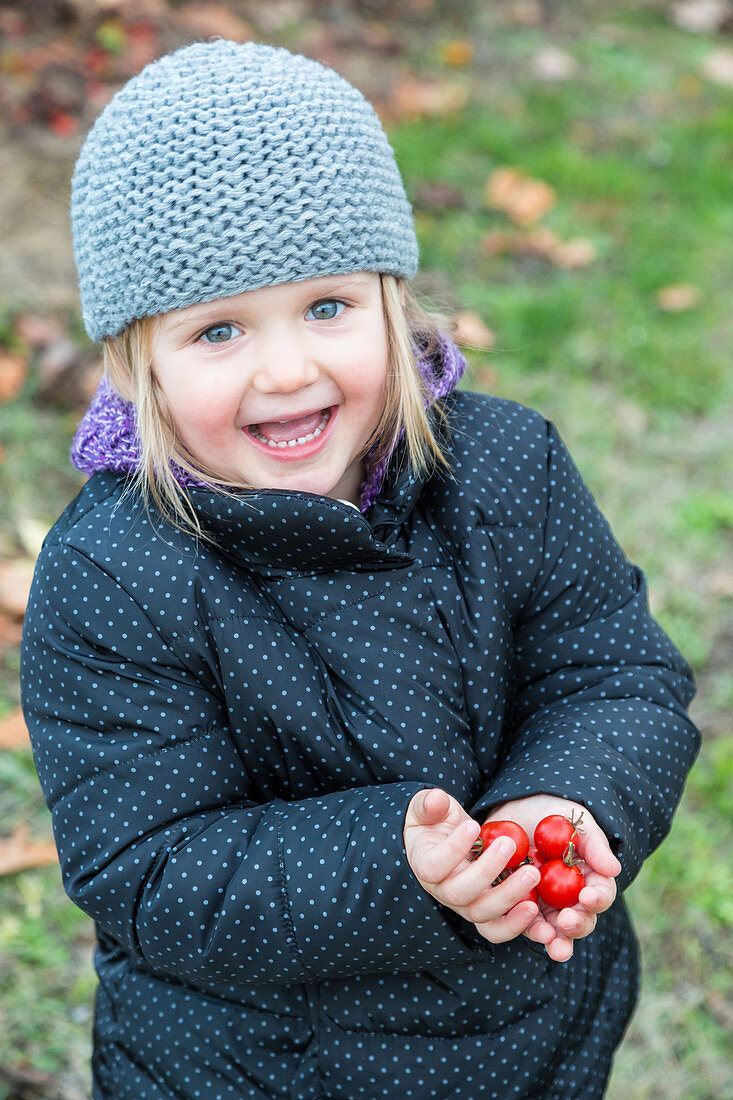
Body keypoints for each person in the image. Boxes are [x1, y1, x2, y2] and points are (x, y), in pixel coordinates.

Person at [20, 39, 700, 1100]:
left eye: (327, 307)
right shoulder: (114, 575)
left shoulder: (505, 467)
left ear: (392, 296)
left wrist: (561, 802)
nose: (287, 368)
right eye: (219, 329)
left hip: (534, 1026)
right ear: (136, 357)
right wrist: (400, 866)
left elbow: (614, 672)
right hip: (256, 1062)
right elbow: (148, 865)